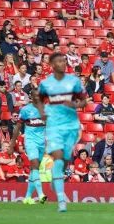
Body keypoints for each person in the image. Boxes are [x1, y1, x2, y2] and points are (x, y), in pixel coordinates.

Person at [36, 53, 87, 212]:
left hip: (71, 125)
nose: (63, 63)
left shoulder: (74, 81)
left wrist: (75, 104)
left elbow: (84, 100)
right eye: (59, 61)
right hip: (54, 126)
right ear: (52, 64)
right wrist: (42, 112)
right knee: (57, 158)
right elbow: (38, 99)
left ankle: (55, 179)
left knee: (64, 161)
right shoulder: (46, 83)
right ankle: (61, 201)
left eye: (64, 61)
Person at [8, 89, 46, 205]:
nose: (37, 98)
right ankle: (41, 194)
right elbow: (18, 127)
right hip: (30, 141)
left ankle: (28, 197)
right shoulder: (26, 110)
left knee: (35, 170)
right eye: (35, 96)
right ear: (31, 97)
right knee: (34, 165)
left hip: (42, 143)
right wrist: (12, 143)